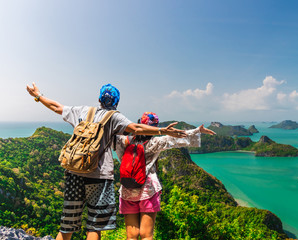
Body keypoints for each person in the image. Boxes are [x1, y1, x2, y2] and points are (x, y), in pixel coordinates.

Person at [25, 83, 187, 240]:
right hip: (100, 178)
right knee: (95, 226)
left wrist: (38, 96)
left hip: (74, 174)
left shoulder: (82, 111)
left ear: (99, 99)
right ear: (116, 102)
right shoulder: (115, 117)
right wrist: (161, 130)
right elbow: (136, 128)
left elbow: (56, 107)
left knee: (67, 224)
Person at [113, 112, 215, 240]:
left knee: (131, 236)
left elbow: (107, 135)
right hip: (148, 190)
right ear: (154, 127)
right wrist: (198, 130)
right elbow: (176, 139)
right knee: (147, 235)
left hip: (127, 190)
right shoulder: (155, 142)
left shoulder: (123, 140)